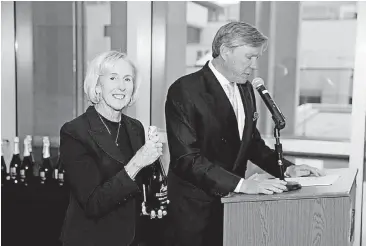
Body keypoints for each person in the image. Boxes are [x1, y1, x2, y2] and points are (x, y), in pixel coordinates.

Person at [164, 22, 324, 246]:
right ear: (225, 51)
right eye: (250, 57)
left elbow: (251, 143)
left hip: (234, 205)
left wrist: (286, 168)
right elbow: (186, 159)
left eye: (257, 58)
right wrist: (242, 185)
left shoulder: (246, 88)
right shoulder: (185, 90)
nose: (255, 65)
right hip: (194, 211)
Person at [59, 50, 163, 246]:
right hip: (91, 239)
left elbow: (140, 187)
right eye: (113, 78)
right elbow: (93, 203)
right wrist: (137, 162)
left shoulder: (135, 127)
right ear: (97, 86)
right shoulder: (75, 132)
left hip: (132, 238)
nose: (121, 87)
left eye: (127, 79)